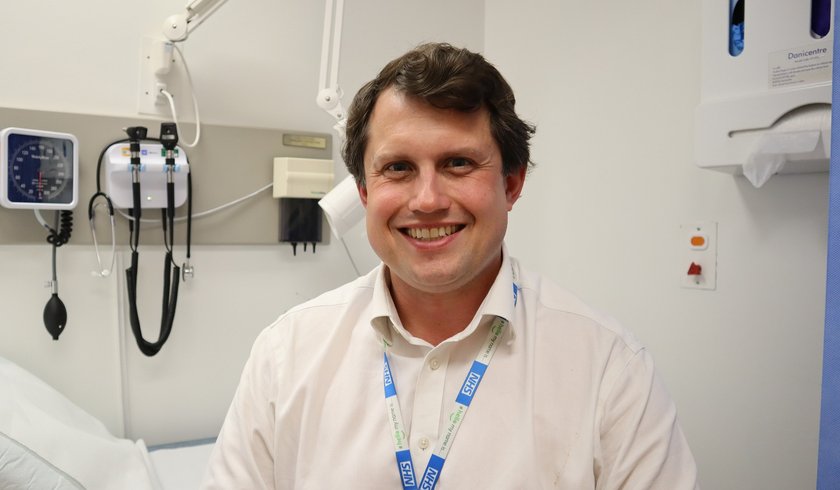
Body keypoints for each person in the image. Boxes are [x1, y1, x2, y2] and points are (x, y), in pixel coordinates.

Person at [201, 42, 699, 489]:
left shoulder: (610, 371)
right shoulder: (286, 355)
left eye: (458, 163)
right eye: (398, 168)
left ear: (511, 184)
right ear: (365, 193)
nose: (428, 200)